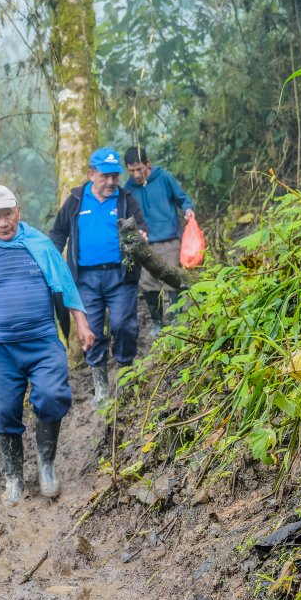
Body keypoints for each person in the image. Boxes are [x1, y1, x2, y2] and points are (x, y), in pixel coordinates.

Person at [0, 185, 96, 506]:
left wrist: (82, 323)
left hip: (42, 341)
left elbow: (66, 284)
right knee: (2, 411)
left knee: (54, 395)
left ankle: (46, 465)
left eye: (7, 214)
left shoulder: (39, 245)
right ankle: (13, 477)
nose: (3, 223)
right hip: (0, 349)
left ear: (18, 212)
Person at [49, 148, 148, 408]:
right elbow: (57, 233)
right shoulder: (75, 200)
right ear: (91, 174)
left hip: (120, 276)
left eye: (115, 176)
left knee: (123, 325)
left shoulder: (125, 199)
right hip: (85, 279)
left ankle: (125, 374)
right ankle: (101, 385)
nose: (111, 182)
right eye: (105, 176)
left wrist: (142, 237)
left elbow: (142, 227)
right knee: (90, 331)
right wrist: (54, 262)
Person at [123, 146, 195, 339]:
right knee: (148, 283)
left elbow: (182, 198)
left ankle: (177, 321)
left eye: (140, 169)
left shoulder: (164, 178)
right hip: (145, 244)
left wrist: (188, 209)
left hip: (170, 240)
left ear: (148, 164)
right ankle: (158, 323)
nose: (137, 174)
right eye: (132, 171)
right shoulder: (127, 190)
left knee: (172, 279)